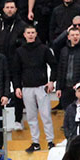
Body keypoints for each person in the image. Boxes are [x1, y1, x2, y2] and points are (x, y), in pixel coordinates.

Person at [13, 24, 56, 152]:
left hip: (42, 87)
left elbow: (54, 65)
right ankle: (35, 142)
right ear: (24, 35)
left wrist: (51, 81)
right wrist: (17, 87)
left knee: (46, 115)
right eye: (28, 33)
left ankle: (50, 141)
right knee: (31, 116)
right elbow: (16, 71)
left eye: (33, 32)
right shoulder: (19, 51)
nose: (31, 35)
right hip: (27, 88)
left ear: (36, 34)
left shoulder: (44, 49)